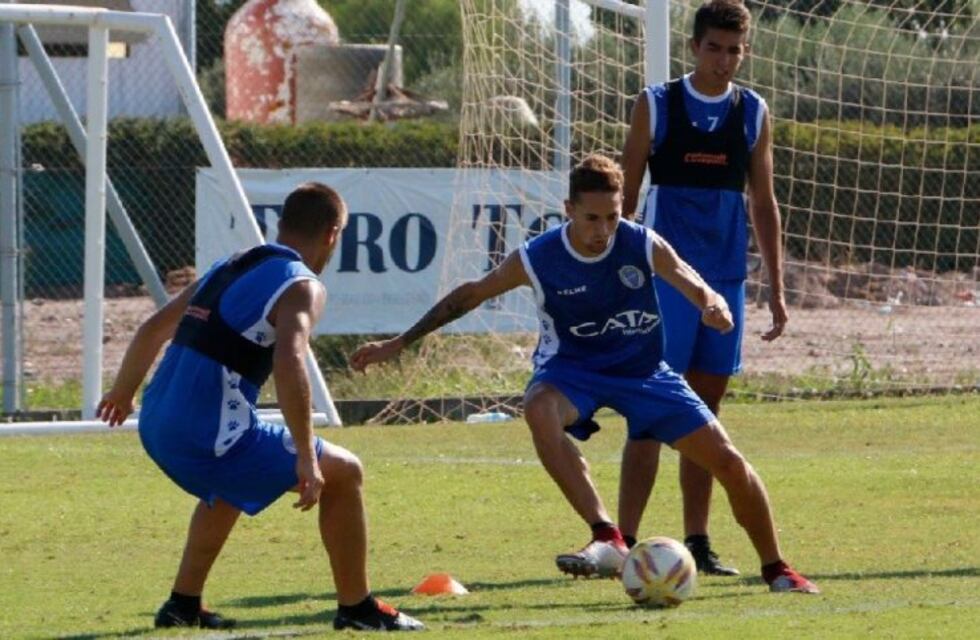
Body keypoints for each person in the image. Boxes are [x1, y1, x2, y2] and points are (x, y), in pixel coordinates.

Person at [350, 154, 817, 593]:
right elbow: (470, 295)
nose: (603, 230)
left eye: (612, 217)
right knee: (538, 408)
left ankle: (778, 568)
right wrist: (398, 343)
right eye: (592, 218)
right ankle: (608, 535)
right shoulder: (539, 256)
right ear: (569, 209)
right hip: (574, 372)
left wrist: (711, 304)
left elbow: (689, 279)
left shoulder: (639, 241)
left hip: (645, 373)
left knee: (730, 462)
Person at [97, 182, 424, 632]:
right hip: (206, 433)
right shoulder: (302, 285)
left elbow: (153, 328)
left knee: (231, 482)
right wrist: (308, 458)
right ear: (332, 234)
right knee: (345, 472)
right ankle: (358, 609)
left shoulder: (228, 266)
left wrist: (121, 394)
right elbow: (289, 361)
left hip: (155, 422)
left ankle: (182, 606)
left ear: (281, 224)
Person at [619, 0, 788, 576]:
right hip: (666, 282)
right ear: (694, 47)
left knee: (703, 413)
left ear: (746, 52)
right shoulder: (657, 105)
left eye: (734, 50)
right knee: (648, 408)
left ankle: (698, 541)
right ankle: (622, 543)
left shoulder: (753, 112)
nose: (723, 60)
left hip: (725, 281)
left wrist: (777, 287)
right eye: (714, 48)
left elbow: (763, 202)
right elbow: (624, 202)